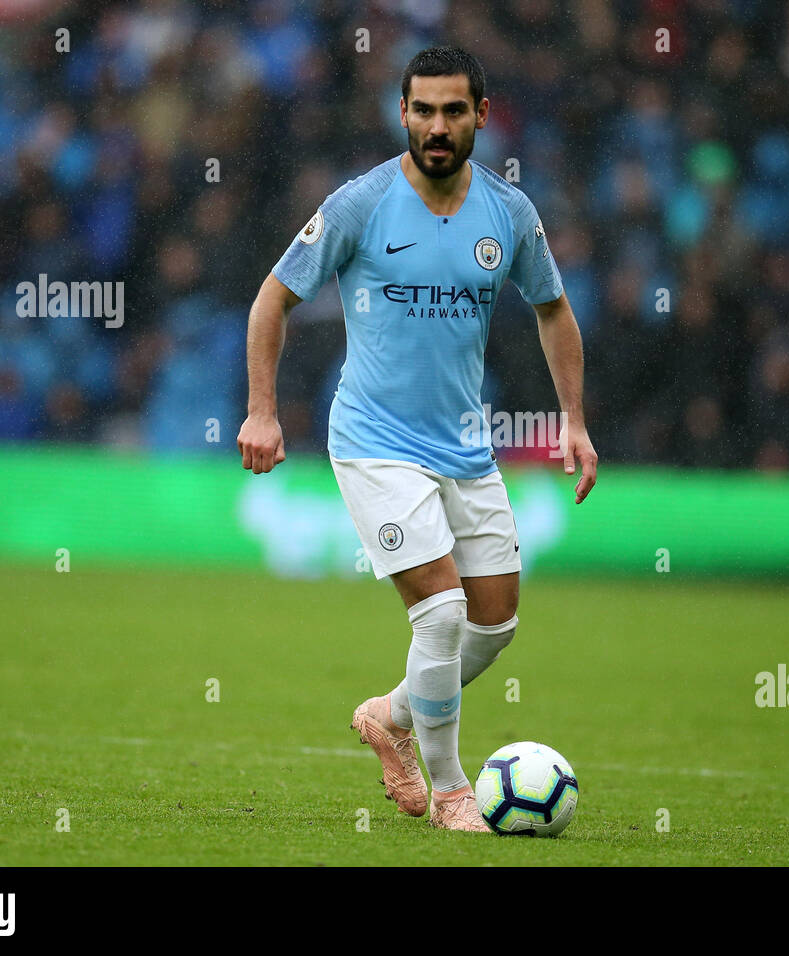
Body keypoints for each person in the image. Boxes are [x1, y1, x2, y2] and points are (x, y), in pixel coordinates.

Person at [236, 47, 597, 831]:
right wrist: (263, 411)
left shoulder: (509, 213)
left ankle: (391, 716)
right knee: (439, 616)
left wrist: (573, 420)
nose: (437, 127)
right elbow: (272, 299)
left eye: (453, 111)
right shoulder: (361, 205)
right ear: (402, 114)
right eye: (423, 111)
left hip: (465, 446)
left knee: (493, 626)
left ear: (481, 116)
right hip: (373, 440)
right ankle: (454, 793)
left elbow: (554, 309)